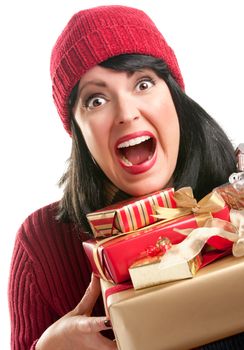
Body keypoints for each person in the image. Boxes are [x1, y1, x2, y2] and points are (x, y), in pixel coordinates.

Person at [8, 4, 244, 350]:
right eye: (96, 99)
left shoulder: (235, 191)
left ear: (175, 97)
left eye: (144, 83)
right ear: (78, 130)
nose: (126, 113)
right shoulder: (42, 244)